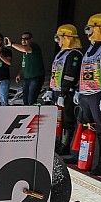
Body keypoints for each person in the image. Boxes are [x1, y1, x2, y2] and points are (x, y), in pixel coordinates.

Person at [64, 13, 101, 175]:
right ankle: (80, 157)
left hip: (100, 95)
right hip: (85, 95)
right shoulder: (91, 48)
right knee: (83, 126)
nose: (88, 32)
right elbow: (84, 72)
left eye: (90, 28)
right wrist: (79, 91)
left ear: (100, 28)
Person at [41, 25, 83, 155]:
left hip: (67, 92)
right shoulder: (61, 53)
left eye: (58, 38)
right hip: (56, 91)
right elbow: (55, 72)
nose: (57, 41)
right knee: (57, 120)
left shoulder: (74, 54)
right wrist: (49, 89)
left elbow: (70, 75)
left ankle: (65, 146)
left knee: (67, 119)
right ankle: (57, 143)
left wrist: (63, 93)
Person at [5, 31, 44, 105]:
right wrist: (19, 74)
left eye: (26, 38)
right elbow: (24, 64)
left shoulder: (33, 46)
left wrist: (12, 44)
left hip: (36, 77)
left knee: (31, 100)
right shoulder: (24, 52)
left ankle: (33, 114)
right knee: (25, 99)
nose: (23, 40)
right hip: (27, 78)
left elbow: (25, 49)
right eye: (22, 38)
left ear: (31, 39)